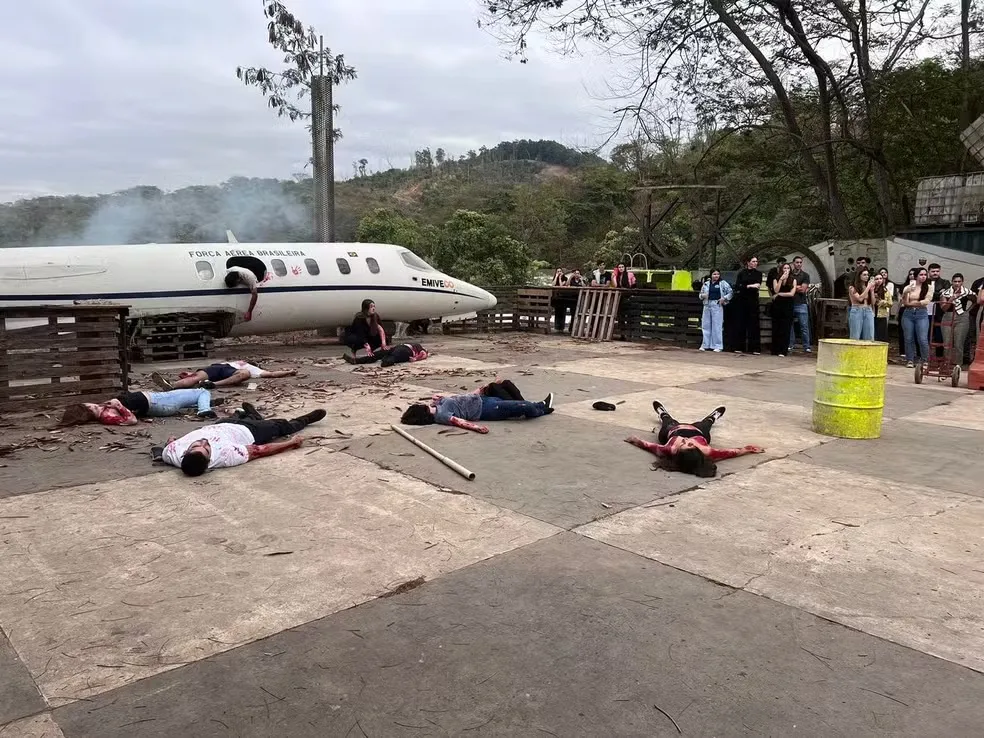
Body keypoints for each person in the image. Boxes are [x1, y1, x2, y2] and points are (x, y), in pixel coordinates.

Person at [160, 405, 326, 476]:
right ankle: (306, 419)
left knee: (241, 415)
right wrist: (291, 443)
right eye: (207, 448)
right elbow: (260, 451)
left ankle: (251, 415)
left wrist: (172, 440)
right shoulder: (226, 457)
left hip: (222, 423)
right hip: (249, 431)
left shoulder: (172, 453)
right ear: (210, 459)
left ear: (185, 453)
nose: (204, 442)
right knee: (281, 425)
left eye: (197, 445)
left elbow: (170, 442)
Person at [624, 401, 765, 478]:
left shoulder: (669, 449)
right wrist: (749, 448)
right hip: (698, 431)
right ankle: (713, 417)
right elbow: (731, 452)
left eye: (683, 444)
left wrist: (634, 440)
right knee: (705, 424)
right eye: (690, 445)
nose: (686, 440)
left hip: (674, 429)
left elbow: (648, 445)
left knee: (668, 422)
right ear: (698, 451)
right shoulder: (707, 451)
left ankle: (663, 413)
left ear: (677, 452)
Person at [400, 389, 554, 433]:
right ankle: (541, 409)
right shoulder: (441, 416)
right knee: (521, 407)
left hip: (483, 400)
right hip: (486, 410)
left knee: (510, 397)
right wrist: (478, 428)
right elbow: (459, 422)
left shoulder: (437, 406)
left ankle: (540, 405)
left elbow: (455, 399)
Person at [58, 388, 221, 426]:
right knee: (202, 391)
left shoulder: (103, 409)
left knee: (190, 398)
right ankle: (204, 409)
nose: (90, 403)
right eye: (88, 406)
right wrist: (120, 406)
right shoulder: (106, 416)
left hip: (158, 400)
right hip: (160, 402)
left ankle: (199, 404)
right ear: (88, 410)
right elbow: (131, 420)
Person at [152, 361, 297, 390]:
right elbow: (272, 374)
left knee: (196, 378)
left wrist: (288, 372)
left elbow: (272, 374)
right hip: (223, 369)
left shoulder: (249, 367)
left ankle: (172, 386)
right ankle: (171, 386)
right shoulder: (251, 367)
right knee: (245, 374)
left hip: (222, 369)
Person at [939, 273, 976, 367]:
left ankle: (957, 365)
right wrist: (951, 299)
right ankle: (946, 363)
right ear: (952, 282)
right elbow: (943, 308)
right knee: (947, 343)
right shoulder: (945, 293)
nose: (957, 283)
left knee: (959, 343)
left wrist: (967, 311)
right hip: (948, 315)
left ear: (962, 282)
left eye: (959, 281)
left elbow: (975, 301)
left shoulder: (967, 292)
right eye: (955, 281)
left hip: (961, 317)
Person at [901, 267, 934, 368]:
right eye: (921, 275)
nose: (923, 277)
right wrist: (912, 302)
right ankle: (910, 360)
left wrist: (915, 303)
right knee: (908, 338)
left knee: (922, 338)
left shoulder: (929, 287)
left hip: (921, 314)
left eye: (925, 275)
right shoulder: (909, 287)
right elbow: (905, 302)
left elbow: (927, 301)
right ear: (916, 276)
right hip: (908, 314)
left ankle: (925, 360)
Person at [732, 256, 763, 355]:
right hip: (742, 301)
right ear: (748, 262)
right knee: (741, 323)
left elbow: (757, 285)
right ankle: (739, 346)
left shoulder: (758, 274)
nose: (755, 263)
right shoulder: (742, 273)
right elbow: (738, 286)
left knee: (753, 324)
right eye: (753, 261)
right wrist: (749, 286)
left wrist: (746, 286)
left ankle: (754, 348)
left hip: (753, 301)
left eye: (756, 261)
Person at [699, 269, 732, 352]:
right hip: (707, 304)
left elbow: (730, 292)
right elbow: (700, 295)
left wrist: (724, 298)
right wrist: (703, 295)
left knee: (717, 325)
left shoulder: (723, 283)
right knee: (706, 325)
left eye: (717, 274)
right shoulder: (706, 284)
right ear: (711, 275)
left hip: (717, 304)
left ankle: (718, 345)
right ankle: (705, 344)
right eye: (714, 274)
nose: (716, 276)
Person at [770, 262, 797, 356]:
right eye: (784, 268)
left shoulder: (793, 280)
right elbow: (776, 290)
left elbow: (791, 294)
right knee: (776, 326)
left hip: (788, 305)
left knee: (785, 328)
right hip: (778, 305)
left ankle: (783, 350)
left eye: (788, 268)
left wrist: (779, 294)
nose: (786, 270)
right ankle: (775, 349)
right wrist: (781, 280)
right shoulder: (776, 279)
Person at [926, 263, 951, 359]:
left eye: (937, 271)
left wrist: (933, 294)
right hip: (926, 309)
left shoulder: (945, 282)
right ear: (929, 272)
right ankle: (925, 356)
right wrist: (938, 293)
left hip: (940, 311)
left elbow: (946, 294)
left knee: (939, 334)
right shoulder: (925, 281)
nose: (935, 273)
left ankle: (939, 357)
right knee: (925, 333)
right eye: (933, 271)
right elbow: (926, 294)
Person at [789, 256, 812, 352]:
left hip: (801, 303)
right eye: (797, 262)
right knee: (790, 326)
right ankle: (791, 344)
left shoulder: (805, 275)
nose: (799, 264)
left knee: (804, 326)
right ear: (793, 263)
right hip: (790, 303)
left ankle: (806, 346)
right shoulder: (789, 274)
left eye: (800, 262)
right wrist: (796, 287)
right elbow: (784, 286)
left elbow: (803, 290)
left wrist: (792, 286)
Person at [343, 342, 428, 367]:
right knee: (378, 353)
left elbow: (423, 354)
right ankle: (356, 361)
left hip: (407, 351)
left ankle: (387, 361)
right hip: (397, 348)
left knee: (395, 355)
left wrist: (416, 359)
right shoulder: (416, 345)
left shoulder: (419, 348)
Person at [847, 267, 876, 341]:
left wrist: (872, 291)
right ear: (859, 276)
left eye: (867, 275)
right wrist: (868, 287)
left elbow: (873, 302)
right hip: (857, 310)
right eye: (864, 275)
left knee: (869, 336)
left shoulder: (867, 287)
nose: (867, 276)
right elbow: (860, 298)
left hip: (868, 310)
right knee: (855, 336)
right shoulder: (852, 287)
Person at [874, 267, 895, 343]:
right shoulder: (870, 290)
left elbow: (890, 303)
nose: (879, 280)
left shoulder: (885, 291)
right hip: (871, 314)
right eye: (877, 279)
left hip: (882, 314)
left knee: (882, 335)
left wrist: (884, 302)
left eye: (880, 278)